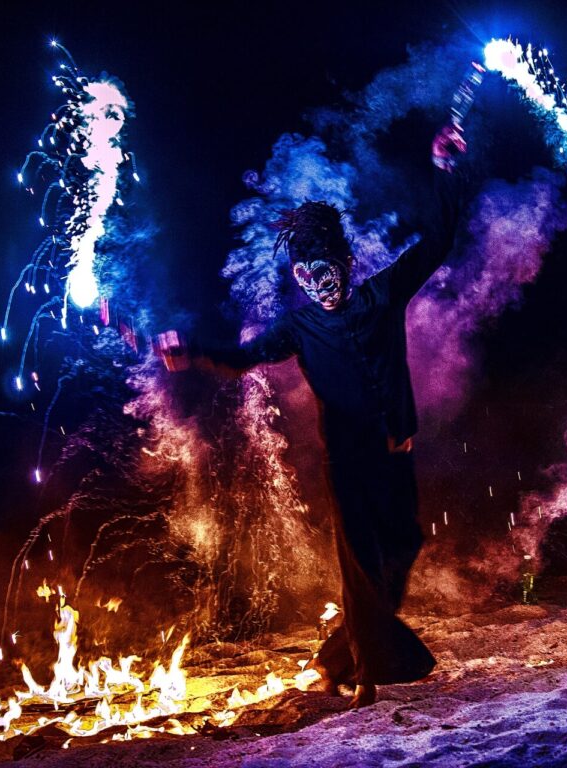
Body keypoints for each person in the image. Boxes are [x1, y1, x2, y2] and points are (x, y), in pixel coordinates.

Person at [168, 123, 468, 708]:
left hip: (395, 457)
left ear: (347, 263)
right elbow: (244, 357)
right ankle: (365, 679)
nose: (319, 286)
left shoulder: (382, 295)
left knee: (398, 559)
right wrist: (193, 351)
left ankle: (334, 660)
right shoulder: (298, 328)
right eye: (306, 278)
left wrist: (443, 169)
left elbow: (438, 239)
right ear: (299, 279)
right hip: (348, 465)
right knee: (362, 569)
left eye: (326, 272)